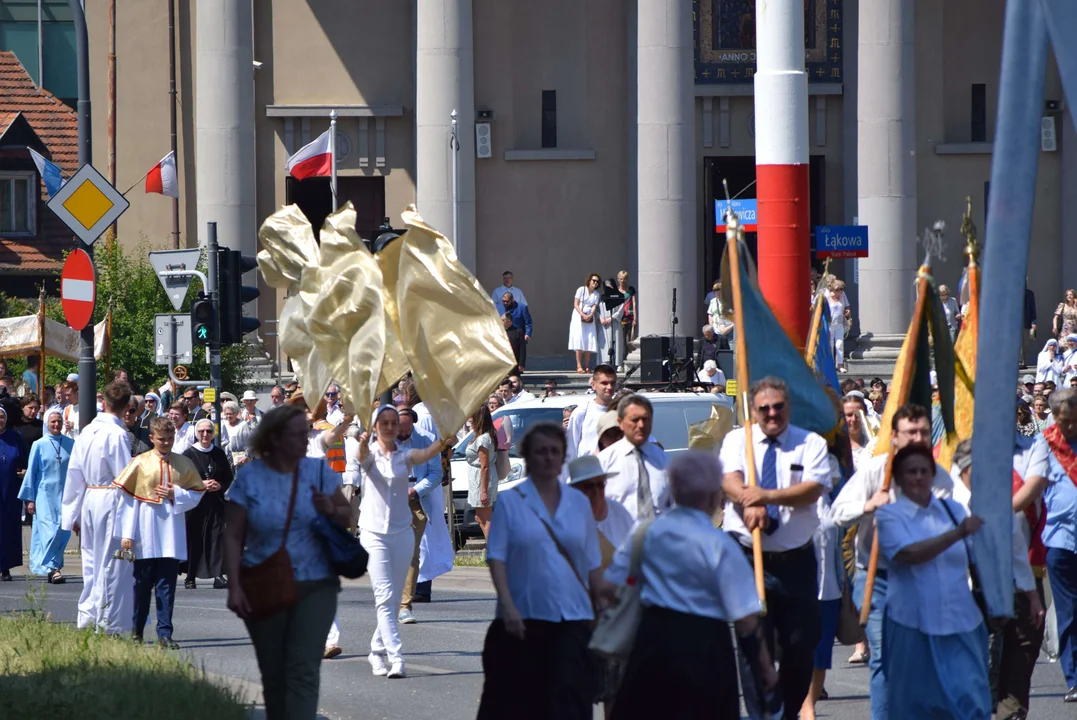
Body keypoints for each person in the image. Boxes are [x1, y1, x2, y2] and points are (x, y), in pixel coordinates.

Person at [606, 452, 776, 720]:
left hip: (653, 641)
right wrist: (765, 667)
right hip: (705, 646)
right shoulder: (718, 544)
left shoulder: (647, 533)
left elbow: (612, 583)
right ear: (712, 495)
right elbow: (745, 619)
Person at [828, 403, 954, 719]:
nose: (918, 438)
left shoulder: (940, 478)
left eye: (924, 432)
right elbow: (838, 513)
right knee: (884, 657)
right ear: (895, 437)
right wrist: (869, 505)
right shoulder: (875, 471)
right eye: (911, 432)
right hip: (878, 579)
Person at [224, 404, 350, 717]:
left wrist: (331, 510)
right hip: (266, 584)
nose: (302, 439)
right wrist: (235, 585)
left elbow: (349, 516)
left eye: (304, 433)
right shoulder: (251, 477)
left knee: (305, 670)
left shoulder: (319, 472)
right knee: (275, 672)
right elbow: (233, 535)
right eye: (294, 434)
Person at [478, 423, 611, 719]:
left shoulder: (578, 503)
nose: (549, 458)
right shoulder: (512, 502)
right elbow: (496, 558)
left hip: (572, 621)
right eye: (541, 451)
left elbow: (591, 565)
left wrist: (605, 605)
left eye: (555, 451)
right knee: (524, 705)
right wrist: (509, 607)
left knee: (569, 704)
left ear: (563, 457)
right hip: (524, 621)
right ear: (527, 456)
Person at [718, 376, 830, 717]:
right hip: (748, 560)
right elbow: (729, 480)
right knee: (754, 647)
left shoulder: (809, 444)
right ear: (752, 410)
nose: (771, 414)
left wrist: (765, 496)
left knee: (801, 644)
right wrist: (746, 501)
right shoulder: (738, 440)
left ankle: (785, 707)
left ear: (788, 407)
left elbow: (813, 488)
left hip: (795, 561)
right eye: (764, 408)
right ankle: (762, 715)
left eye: (778, 406)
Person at [875, 443, 990, 718]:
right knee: (916, 706)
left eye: (923, 471)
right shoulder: (889, 515)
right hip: (912, 624)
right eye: (910, 471)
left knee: (970, 700)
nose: (917, 477)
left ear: (933, 474)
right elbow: (909, 553)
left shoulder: (953, 510)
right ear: (898, 478)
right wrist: (957, 534)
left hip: (961, 620)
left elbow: (977, 558)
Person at [952, 437, 1046, 718]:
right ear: (962, 469)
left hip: (1000, 588)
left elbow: (1016, 550)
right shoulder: (946, 500)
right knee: (973, 667)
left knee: (1023, 644)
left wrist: (1032, 597)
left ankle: (1011, 711)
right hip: (959, 595)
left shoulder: (995, 498)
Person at [357, 406, 449, 679]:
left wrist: (443, 441)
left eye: (393, 423)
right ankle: (396, 658)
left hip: (402, 533)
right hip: (374, 534)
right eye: (383, 423)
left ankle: (375, 650)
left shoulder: (405, 456)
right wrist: (362, 441)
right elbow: (361, 456)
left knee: (394, 598)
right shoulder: (369, 455)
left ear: (399, 427)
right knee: (385, 598)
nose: (388, 427)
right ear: (375, 427)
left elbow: (426, 454)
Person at [115, 416, 207, 647]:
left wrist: (177, 494)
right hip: (144, 532)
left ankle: (165, 633)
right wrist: (127, 533)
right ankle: (136, 631)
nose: (166, 443)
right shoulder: (140, 462)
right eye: (161, 439)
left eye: (169, 439)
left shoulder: (183, 463)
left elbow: (197, 494)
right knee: (141, 585)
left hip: (170, 533)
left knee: (167, 587)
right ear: (152, 438)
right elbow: (129, 501)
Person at [61, 381, 135, 633]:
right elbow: (125, 478)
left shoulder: (88, 430)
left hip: (90, 498)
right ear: (126, 408)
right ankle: (108, 621)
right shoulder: (117, 434)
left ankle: (87, 617)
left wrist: (72, 511)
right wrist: (132, 520)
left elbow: (74, 473)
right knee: (111, 561)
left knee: (90, 561)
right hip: (110, 498)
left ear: (104, 403)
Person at [395, 406, 452, 625]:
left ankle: (404, 606)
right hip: (390, 502)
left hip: (415, 500)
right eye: (400, 428)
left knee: (411, 553)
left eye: (407, 428)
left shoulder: (427, 439)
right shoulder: (383, 440)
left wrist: (416, 490)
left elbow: (437, 473)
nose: (403, 433)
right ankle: (390, 599)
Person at [17, 407, 73, 583]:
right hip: (44, 495)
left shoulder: (71, 444)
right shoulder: (39, 444)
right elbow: (31, 473)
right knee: (50, 531)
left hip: (65, 495)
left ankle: (52, 567)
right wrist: (30, 499)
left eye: (59, 421)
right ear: (47, 424)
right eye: (53, 422)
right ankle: (54, 569)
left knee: (63, 531)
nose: (56, 424)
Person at [597, 394, 671, 522]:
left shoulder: (665, 463)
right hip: (617, 540)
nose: (641, 425)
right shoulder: (603, 463)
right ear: (620, 422)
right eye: (635, 420)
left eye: (645, 419)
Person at [182, 419, 233, 590]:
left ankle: (218, 574)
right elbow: (182, 479)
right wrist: (201, 485)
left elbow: (227, 476)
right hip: (195, 504)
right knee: (194, 538)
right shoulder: (188, 454)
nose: (205, 435)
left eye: (209, 431)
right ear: (196, 433)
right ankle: (190, 576)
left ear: (213, 433)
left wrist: (219, 485)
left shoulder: (218, 453)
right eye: (202, 431)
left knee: (216, 538)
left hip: (215, 503)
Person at [566, 365, 618, 461]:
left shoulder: (621, 412)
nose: (609, 387)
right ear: (593, 385)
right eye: (604, 383)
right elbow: (571, 448)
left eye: (612, 383)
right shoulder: (581, 413)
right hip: (587, 471)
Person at [0, 404, 28, 581]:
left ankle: (6, 567)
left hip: (10, 489)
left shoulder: (15, 437)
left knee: (8, 528)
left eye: (2, 417)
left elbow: (25, 461)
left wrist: (25, 471)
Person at [466, 404, 498, 538]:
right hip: (477, 480)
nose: (469, 420)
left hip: (482, 481)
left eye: (472, 417)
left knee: (485, 518)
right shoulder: (480, 436)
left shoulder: (483, 439)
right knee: (480, 517)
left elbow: (484, 466)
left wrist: (484, 491)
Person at [568, 273, 602, 374]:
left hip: (589, 318)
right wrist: (582, 314)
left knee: (589, 340)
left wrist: (590, 315)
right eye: (593, 280)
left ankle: (587, 366)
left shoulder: (597, 295)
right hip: (578, 317)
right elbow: (575, 304)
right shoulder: (581, 290)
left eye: (597, 281)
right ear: (589, 281)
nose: (595, 283)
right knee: (579, 340)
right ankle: (579, 365)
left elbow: (595, 307)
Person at [502, 291, 533, 372]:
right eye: (503, 301)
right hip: (507, 336)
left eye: (507, 301)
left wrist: (527, 334)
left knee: (520, 353)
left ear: (512, 300)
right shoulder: (501, 308)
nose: (505, 303)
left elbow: (528, 322)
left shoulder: (522, 307)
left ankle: (519, 369)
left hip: (518, 335)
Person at [220, 401, 253, 469]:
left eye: (231, 414)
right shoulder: (222, 424)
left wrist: (247, 456)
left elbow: (249, 443)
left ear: (237, 413)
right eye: (226, 414)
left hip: (238, 460)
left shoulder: (243, 425)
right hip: (224, 458)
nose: (228, 416)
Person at [828, 279, 850, 373]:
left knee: (839, 344)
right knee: (830, 344)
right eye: (839, 290)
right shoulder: (827, 296)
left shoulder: (843, 295)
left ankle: (840, 365)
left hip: (839, 323)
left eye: (842, 289)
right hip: (830, 324)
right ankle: (831, 364)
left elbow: (847, 306)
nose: (841, 291)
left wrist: (849, 314)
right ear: (833, 290)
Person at [617, 270, 636, 348]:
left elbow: (634, 304)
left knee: (630, 338)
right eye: (621, 279)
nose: (622, 281)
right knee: (621, 337)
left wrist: (635, 319)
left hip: (630, 317)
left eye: (624, 279)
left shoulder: (631, 290)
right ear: (618, 279)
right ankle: (622, 356)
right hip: (620, 317)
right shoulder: (616, 291)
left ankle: (629, 355)